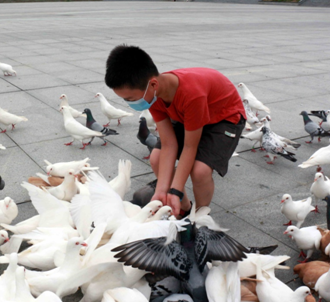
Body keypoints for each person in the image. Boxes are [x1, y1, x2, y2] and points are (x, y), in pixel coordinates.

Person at [105, 45, 246, 217]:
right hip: (187, 115)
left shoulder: (192, 94)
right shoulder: (153, 95)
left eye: (131, 99)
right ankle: (184, 208)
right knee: (156, 158)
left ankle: (200, 217)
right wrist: (162, 191)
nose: (130, 104)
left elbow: (189, 147)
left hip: (224, 118)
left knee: (200, 170)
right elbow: (169, 144)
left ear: (153, 84)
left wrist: (176, 189)